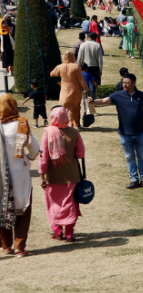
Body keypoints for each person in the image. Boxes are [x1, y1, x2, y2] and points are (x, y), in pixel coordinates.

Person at [89, 73, 143, 190]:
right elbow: (104, 101)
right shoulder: (118, 95)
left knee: (142, 157)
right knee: (129, 157)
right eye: (123, 82)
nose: (124, 85)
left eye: (127, 82)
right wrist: (93, 101)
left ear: (134, 83)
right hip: (125, 134)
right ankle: (134, 179)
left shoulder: (141, 95)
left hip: (140, 133)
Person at [0, 94, 40, 257]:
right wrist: (29, 157)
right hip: (20, 173)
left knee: (2, 208)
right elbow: (34, 149)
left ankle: (5, 245)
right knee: (24, 209)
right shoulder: (22, 123)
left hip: (1, 176)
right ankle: (19, 247)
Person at [39, 106, 84, 243]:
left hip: (53, 176)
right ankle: (69, 234)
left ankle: (57, 231)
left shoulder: (47, 133)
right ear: (66, 117)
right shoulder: (75, 133)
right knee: (70, 203)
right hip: (72, 175)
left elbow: (43, 157)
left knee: (54, 204)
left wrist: (42, 175)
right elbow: (81, 154)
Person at [50, 51, 89, 128]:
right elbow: (81, 80)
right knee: (76, 107)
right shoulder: (76, 66)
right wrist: (86, 89)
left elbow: (52, 74)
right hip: (75, 90)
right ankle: (75, 123)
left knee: (65, 107)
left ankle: (67, 124)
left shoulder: (60, 66)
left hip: (64, 90)